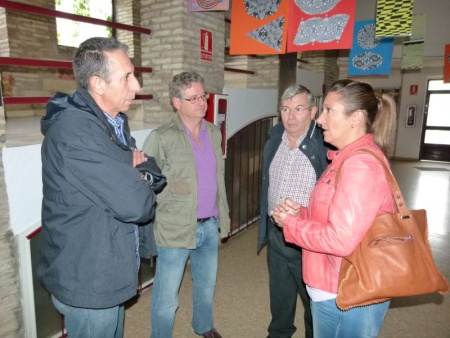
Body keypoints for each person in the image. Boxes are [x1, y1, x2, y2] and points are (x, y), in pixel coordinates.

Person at [38, 37, 159, 338]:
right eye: (127, 77)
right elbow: (137, 206)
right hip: (89, 274)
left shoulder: (112, 122)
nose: (137, 86)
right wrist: (139, 175)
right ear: (98, 84)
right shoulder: (76, 133)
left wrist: (137, 172)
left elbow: (151, 169)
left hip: (107, 266)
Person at [271, 79, 397, 338]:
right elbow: (336, 217)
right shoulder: (344, 158)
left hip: (346, 290)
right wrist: (301, 213)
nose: (320, 119)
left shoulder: (361, 165)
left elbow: (340, 239)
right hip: (334, 284)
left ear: (356, 118)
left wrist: (292, 224)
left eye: (329, 110)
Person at [142, 71, 230, 338]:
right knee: (167, 295)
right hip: (174, 228)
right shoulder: (161, 136)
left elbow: (218, 180)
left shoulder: (213, 133)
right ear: (177, 103)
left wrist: (223, 218)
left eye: (203, 96)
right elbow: (145, 183)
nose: (202, 103)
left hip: (209, 224)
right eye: (193, 98)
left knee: (206, 285)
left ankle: (203, 325)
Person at [257, 84, 329, 338]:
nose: (291, 116)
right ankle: (279, 333)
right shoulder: (274, 137)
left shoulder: (324, 143)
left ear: (312, 111)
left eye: (298, 109)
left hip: (308, 238)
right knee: (279, 292)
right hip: (277, 234)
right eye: (286, 109)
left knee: (312, 298)